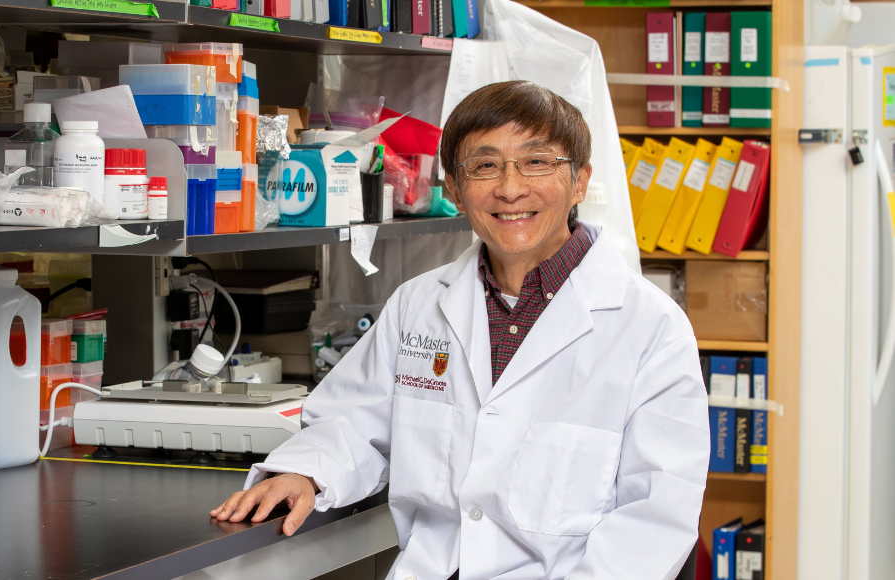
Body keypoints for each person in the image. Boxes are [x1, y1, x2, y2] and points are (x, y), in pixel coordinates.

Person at [211, 80, 710, 579]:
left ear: (580, 182)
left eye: (537, 162)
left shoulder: (651, 329)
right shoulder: (419, 304)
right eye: (485, 165)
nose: (511, 188)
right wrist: (306, 471)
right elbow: (353, 419)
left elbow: (653, 520)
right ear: (452, 188)